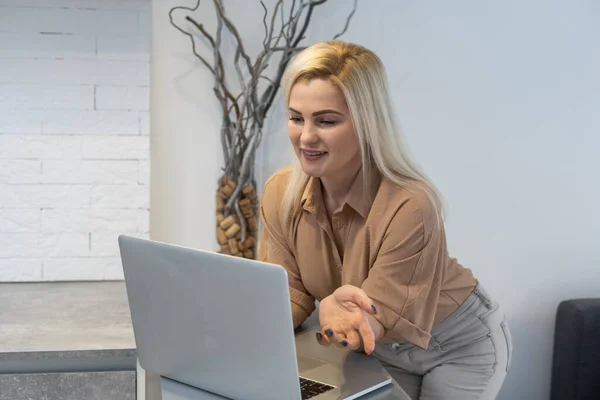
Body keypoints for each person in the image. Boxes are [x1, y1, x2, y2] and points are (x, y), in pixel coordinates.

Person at [257, 40, 513, 400]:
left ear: (366, 124)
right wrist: (236, 330)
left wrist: (339, 314)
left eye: (326, 121)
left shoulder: (411, 204)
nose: (306, 137)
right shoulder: (280, 194)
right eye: (296, 118)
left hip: (457, 345)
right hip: (378, 351)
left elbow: (372, 318)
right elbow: (291, 291)